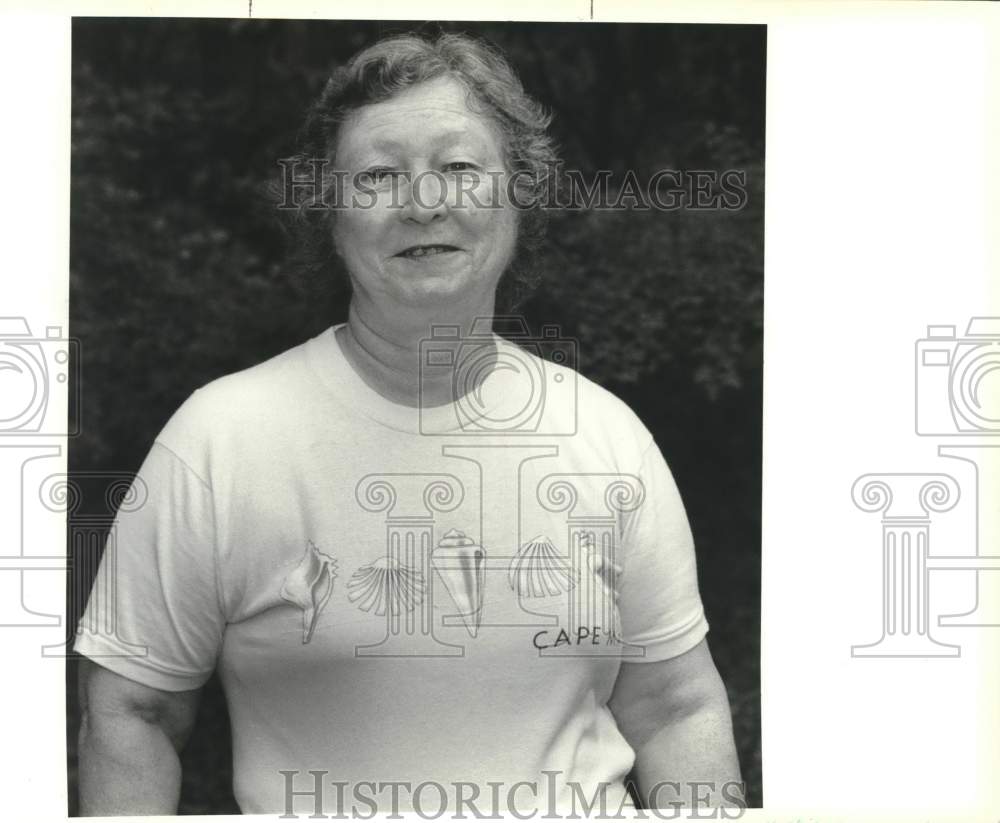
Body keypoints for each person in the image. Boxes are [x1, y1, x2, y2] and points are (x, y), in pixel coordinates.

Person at [75, 32, 742, 816]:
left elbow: (676, 708)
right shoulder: (219, 439)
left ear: (517, 194)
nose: (424, 202)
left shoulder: (606, 436)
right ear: (329, 212)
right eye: (379, 175)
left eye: (460, 167)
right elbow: (131, 712)